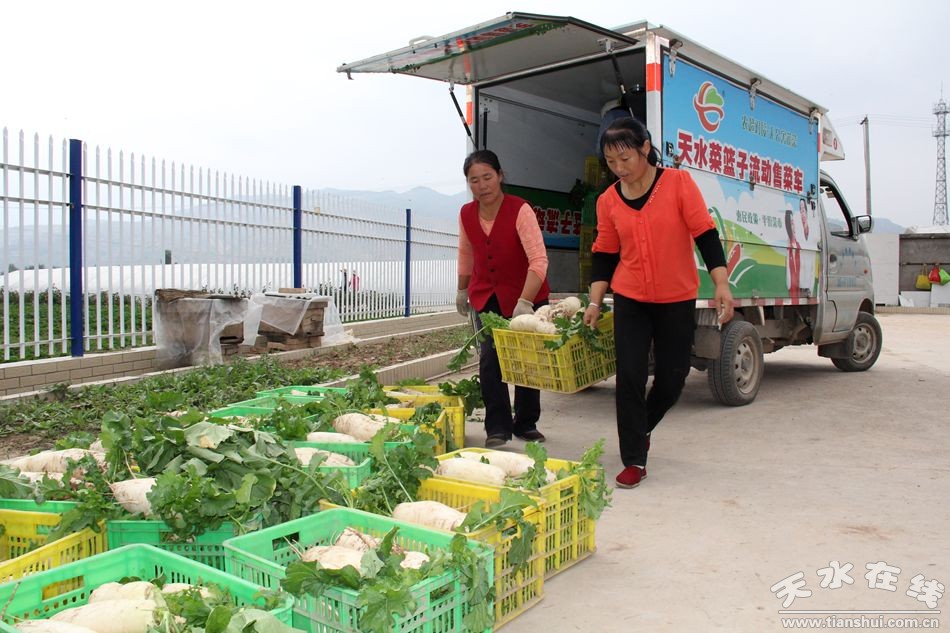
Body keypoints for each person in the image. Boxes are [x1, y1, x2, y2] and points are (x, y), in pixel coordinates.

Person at [582, 117, 734, 489]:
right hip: (630, 297)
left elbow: (705, 234)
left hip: (675, 298)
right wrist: (595, 302)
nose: (619, 168)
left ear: (645, 149)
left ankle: (643, 427)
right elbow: (605, 253)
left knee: (672, 378)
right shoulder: (608, 201)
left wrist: (721, 284)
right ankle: (634, 459)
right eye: (611, 162)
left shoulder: (678, 184)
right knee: (630, 377)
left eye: (625, 159)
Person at [455, 149, 551, 448]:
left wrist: (526, 301)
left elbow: (538, 260)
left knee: (526, 360)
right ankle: (497, 427)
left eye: (487, 177)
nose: (482, 185)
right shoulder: (466, 213)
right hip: (487, 296)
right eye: (474, 180)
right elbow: (466, 253)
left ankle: (526, 422)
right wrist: (461, 289)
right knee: (490, 360)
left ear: (499, 176)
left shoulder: (520, 209)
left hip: (526, 292)